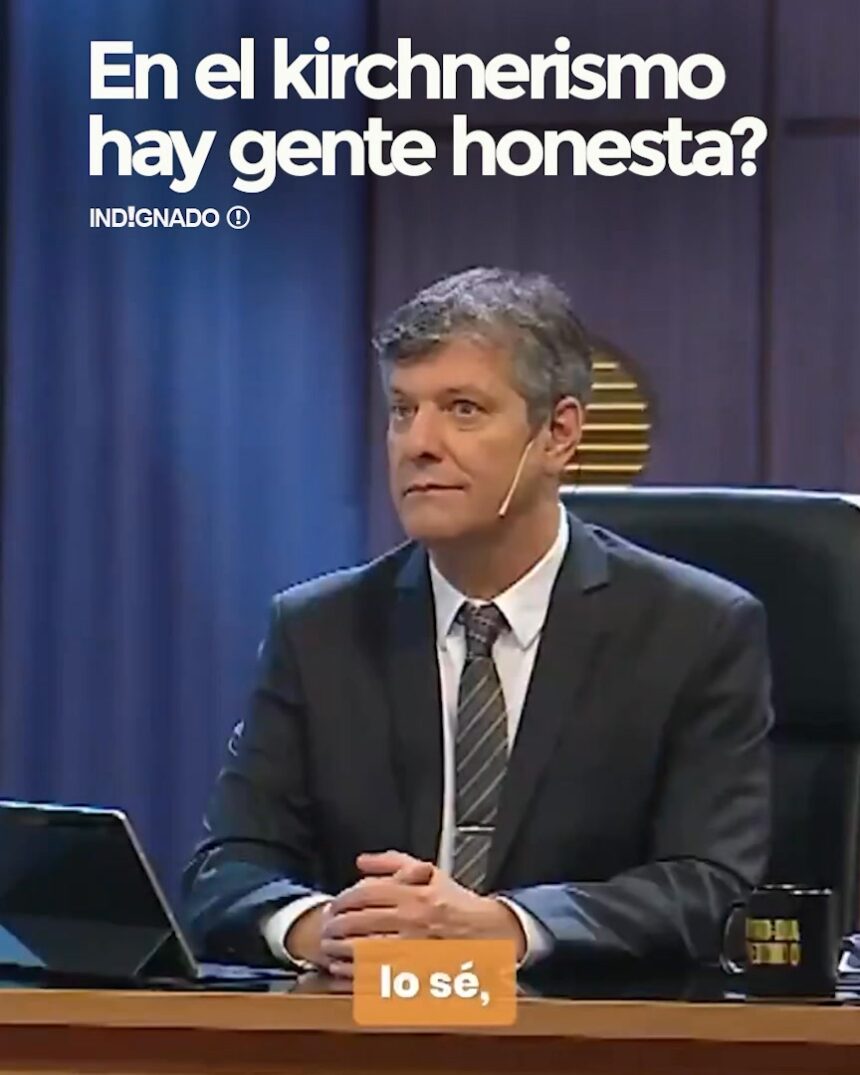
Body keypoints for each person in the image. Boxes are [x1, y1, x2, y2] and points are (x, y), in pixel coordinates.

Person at [182, 267, 773, 975]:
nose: (419, 443)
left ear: (557, 434)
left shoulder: (694, 630)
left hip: (583, 1024)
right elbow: (226, 868)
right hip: (364, 1019)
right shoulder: (318, 630)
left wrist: (506, 928)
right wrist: (320, 927)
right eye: (403, 410)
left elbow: (710, 883)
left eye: (463, 409)